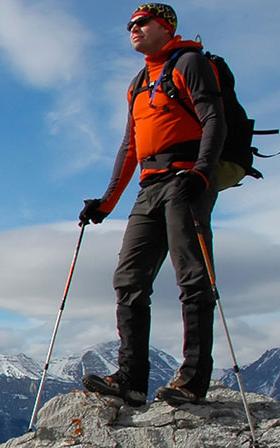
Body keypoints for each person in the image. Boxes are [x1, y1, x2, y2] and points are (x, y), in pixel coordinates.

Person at [78, 3, 225, 407]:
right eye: (130, 25)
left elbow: (214, 119)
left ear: (165, 26)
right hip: (150, 185)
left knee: (192, 277)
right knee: (129, 279)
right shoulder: (139, 82)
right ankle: (131, 380)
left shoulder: (190, 62)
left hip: (185, 179)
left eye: (141, 23)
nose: (133, 29)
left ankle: (193, 380)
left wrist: (201, 172)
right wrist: (106, 204)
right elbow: (131, 146)